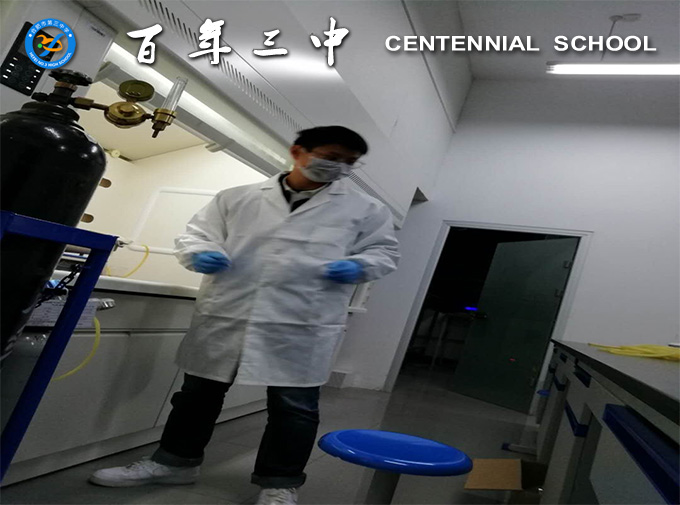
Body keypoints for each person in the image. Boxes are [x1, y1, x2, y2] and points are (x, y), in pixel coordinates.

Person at [89, 126, 400, 504]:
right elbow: (196, 235)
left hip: (301, 323)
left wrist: (359, 265)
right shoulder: (237, 197)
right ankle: (174, 463)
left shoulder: (365, 209)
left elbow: (384, 252)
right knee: (196, 397)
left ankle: (279, 483)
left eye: (349, 163)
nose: (339, 168)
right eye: (331, 157)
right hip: (229, 312)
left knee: (295, 408)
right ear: (297, 152)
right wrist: (200, 253)